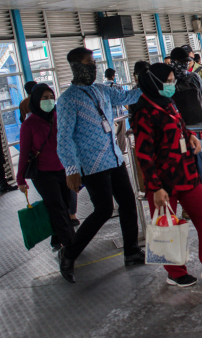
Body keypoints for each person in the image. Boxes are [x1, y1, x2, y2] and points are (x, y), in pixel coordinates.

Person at [134, 63, 202, 287]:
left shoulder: (167, 103)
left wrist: (189, 135)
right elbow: (144, 153)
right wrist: (155, 187)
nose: (172, 85)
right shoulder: (144, 112)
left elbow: (178, 124)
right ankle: (175, 272)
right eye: (168, 81)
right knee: (166, 224)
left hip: (185, 173)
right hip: (162, 181)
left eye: (173, 80)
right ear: (155, 83)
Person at [56, 47, 144, 284]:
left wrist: (147, 82)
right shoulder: (67, 100)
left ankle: (132, 251)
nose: (93, 67)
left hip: (114, 158)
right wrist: (71, 170)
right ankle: (69, 254)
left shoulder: (102, 90)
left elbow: (127, 97)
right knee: (103, 210)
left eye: (94, 63)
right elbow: (63, 138)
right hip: (91, 164)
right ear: (76, 67)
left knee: (127, 202)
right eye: (88, 63)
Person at [16, 84, 74, 252]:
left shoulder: (58, 116)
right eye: (44, 98)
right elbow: (24, 153)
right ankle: (71, 245)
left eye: (51, 97)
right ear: (35, 100)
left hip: (63, 170)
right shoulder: (29, 125)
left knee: (66, 204)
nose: (49, 101)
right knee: (57, 208)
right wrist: (20, 179)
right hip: (43, 174)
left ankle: (57, 239)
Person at [169, 47, 202, 194]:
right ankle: (190, 199)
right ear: (173, 62)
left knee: (201, 160)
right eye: (182, 62)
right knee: (184, 165)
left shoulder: (194, 77)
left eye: (187, 62)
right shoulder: (168, 82)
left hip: (198, 125)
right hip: (179, 131)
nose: (185, 65)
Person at [104, 68, 128, 153]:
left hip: (108, 116)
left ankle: (112, 151)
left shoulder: (102, 88)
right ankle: (121, 151)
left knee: (110, 135)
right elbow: (124, 100)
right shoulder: (117, 86)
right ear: (113, 76)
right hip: (119, 115)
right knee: (120, 134)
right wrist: (130, 109)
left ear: (105, 76)